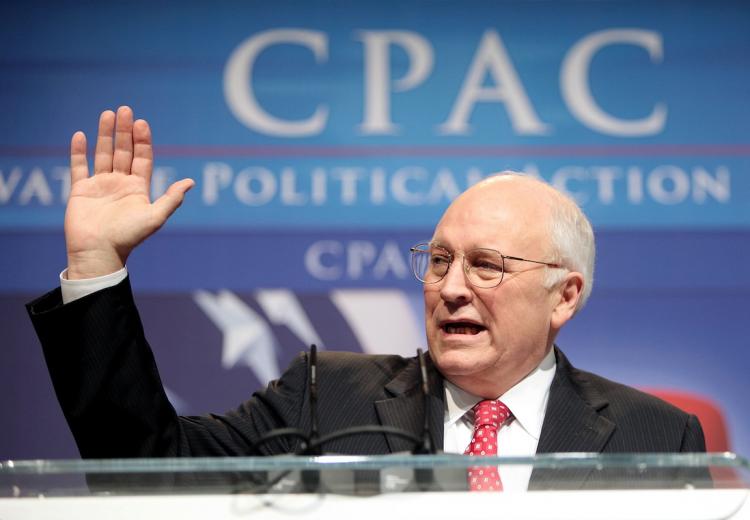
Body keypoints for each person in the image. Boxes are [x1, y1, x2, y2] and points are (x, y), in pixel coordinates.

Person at [27, 106, 706, 491]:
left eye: (487, 266)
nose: (451, 286)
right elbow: (153, 474)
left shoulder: (659, 438)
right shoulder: (325, 396)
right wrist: (96, 269)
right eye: (439, 261)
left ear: (564, 297)